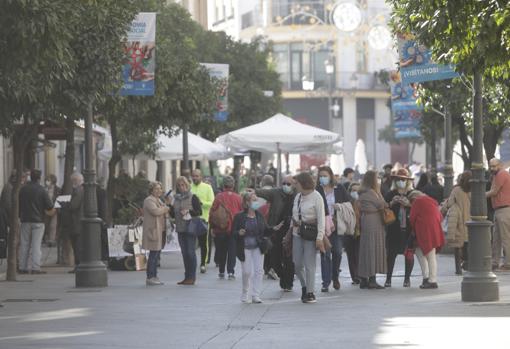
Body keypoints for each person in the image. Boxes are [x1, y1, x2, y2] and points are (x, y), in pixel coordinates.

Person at [233, 192, 282, 303]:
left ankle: (256, 295)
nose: (256, 202)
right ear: (246, 202)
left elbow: (265, 230)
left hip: (258, 247)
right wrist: (239, 233)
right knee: (246, 272)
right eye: (253, 200)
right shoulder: (239, 217)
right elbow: (233, 233)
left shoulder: (259, 215)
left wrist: (274, 228)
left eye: (256, 200)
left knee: (259, 271)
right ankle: (245, 292)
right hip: (244, 247)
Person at [256, 174, 296, 291]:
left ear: (293, 185)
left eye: (288, 184)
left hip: (291, 231)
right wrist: (253, 191)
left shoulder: (298, 195)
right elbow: (263, 193)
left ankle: (288, 283)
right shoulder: (276, 193)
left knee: (289, 258)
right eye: (283, 183)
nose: (285, 186)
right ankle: (282, 276)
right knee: (274, 259)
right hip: (276, 230)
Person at [291, 172, 326, 303]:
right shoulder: (298, 197)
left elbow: (321, 219)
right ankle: (304, 286)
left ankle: (310, 292)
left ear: (303, 183)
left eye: (297, 183)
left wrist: (320, 237)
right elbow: (294, 214)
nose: (295, 186)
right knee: (297, 264)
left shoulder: (317, 197)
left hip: (310, 234)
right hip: (297, 233)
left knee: (309, 264)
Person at [317, 166, 351, 292]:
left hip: (337, 225)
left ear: (331, 176)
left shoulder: (339, 188)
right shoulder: (317, 190)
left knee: (337, 251)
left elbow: (348, 203)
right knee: (324, 254)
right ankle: (325, 282)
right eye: (320, 176)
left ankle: (335, 276)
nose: (323, 178)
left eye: (325, 175)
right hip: (323, 226)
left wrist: (339, 207)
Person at [18, 169, 56, 274]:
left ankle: (22, 267)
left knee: (24, 244)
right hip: (38, 221)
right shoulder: (41, 190)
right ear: (39, 178)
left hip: (25, 220)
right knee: (36, 245)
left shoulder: (23, 189)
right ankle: (35, 267)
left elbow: (19, 204)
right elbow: (49, 206)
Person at [383, 168, 415, 288]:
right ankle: (388, 279)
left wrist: (409, 204)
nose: (401, 181)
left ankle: (407, 279)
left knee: (409, 255)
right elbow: (384, 208)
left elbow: (418, 208)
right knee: (391, 255)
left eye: (403, 179)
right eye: (399, 179)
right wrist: (392, 203)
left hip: (408, 229)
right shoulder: (390, 194)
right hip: (393, 229)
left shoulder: (412, 194)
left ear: (407, 181)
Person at [409, 190, 445, 289]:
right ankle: (428, 279)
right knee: (429, 254)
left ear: (413, 198)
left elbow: (412, 218)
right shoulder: (432, 201)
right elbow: (440, 217)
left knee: (425, 254)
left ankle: (431, 280)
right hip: (434, 230)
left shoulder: (417, 201)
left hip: (423, 231)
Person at [170, 176, 202, 285]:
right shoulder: (176, 199)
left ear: (187, 185)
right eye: (179, 185)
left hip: (190, 228)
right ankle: (187, 277)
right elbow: (172, 213)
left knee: (190, 252)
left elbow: (199, 212)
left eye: (183, 185)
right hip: (180, 229)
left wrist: (188, 211)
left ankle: (192, 277)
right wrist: (169, 206)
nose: (181, 187)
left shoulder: (193, 197)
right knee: (184, 253)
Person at [358, 170, 387, 289]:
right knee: (373, 249)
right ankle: (372, 279)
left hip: (367, 221)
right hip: (374, 222)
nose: (379, 180)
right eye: (377, 178)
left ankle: (364, 279)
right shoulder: (371, 192)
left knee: (366, 249)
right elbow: (382, 204)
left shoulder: (363, 192)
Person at [209, 176, 242, 279]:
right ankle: (231, 272)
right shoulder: (238, 198)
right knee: (232, 250)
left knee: (221, 250)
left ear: (223, 185)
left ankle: (221, 271)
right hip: (233, 228)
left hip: (220, 228)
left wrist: (212, 227)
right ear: (233, 185)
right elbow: (241, 213)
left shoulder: (218, 197)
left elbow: (212, 212)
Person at [442, 171, 471, 275]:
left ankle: (458, 269)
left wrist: (444, 206)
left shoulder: (456, 190)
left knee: (457, 246)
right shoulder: (473, 190)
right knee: (467, 244)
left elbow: (450, 203)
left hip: (458, 221)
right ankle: (467, 265)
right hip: (470, 222)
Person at [142, 182, 169, 286]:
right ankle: (150, 277)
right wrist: (165, 209)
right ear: (151, 190)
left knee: (156, 254)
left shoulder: (158, 200)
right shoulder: (149, 200)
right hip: (153, 231)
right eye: (156, 189)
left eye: (160, 189)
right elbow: (156, 211)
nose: (159, 191)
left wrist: (165, 207)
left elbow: (163, 210)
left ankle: (154, 276)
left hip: (159, 230)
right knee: (153, 255)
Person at [486, 158, 510, 270]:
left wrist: (480, 194)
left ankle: (507, 263)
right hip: (499, 209)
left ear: (500, 165)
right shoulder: (497, 175)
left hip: (504, 209)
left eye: (494, 166)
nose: (492, 168)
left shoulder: (501, 174)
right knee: (497, 238)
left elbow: (494, 191)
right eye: (491, 166)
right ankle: (495, 262)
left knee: (505, 238)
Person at [190, 169, 215, 274]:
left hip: (203, 219)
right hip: (190, 219)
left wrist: (201, 203)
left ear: (201, 177)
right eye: (193, 176)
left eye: (197, 176)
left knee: (203, 243)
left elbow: (212, 203)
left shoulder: (207, 187)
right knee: (190, 244)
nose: (195, 178)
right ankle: (191, 263)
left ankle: (203, 264)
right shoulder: (189, 187)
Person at [60, 173, 84, 273]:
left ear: (75, 181)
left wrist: (64, 204)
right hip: (78, 222)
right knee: (77, 245)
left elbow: (73, 206)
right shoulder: (81, 190)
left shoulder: (78, 191)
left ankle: (78, 265)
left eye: (73, 181)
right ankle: (78, 265)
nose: (72, 183)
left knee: (77, 245)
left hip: (76, 222)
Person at [344, 182, 361, 284]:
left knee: (359, 254)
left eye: (357, 191)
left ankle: (360, 275)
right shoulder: (346, 203)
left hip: (360, 231)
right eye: (353, 190)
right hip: (348, 232)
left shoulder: (363, 202)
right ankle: (354, 277)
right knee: (351, 255)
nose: (355, 192)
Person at [44, 174, 60, 247]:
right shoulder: (44, 189)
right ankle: (46, 239)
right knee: (46, 225)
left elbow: (58, 199)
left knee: (53, 225)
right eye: (46, 180)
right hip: (46, 210)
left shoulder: (57, 189)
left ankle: (52, 240)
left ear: (53, 181)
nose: (47, 182)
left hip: (54, 210)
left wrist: (55, 208)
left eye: (48, 180)